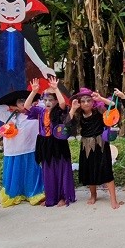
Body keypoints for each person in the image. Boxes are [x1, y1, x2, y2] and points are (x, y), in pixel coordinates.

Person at [25, 77, 75, 207]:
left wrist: (56, 88)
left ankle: (63, 197)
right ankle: (51, 196)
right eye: (45, 99)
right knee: (48, 170)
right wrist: (33, 91)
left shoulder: (59, 110)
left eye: (50, 100)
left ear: (55, 101)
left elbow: (63, 103)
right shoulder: (40, 111)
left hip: (58, 142)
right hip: (44, 143)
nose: (47, 102)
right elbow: (26, 106)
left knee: (60, 168)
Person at [68, 88, 121, 209]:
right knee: (89, 170)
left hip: (101, 144)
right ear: (80, 103)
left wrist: (100, 99)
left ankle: (113, 198)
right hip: (86, 145)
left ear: (93, 102)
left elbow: (113, 106)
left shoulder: (99, 111)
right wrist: (72, 108)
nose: (86, 103)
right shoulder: (78, 114)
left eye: (89, 100)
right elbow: (66, 124)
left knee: (106, 170)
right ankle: (93, 195)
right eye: (83, 101)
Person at [0, 90, 45, 206]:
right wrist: (12, 107)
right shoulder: (10, 115)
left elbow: (44, 104)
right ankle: (16, 194)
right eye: (20, 101)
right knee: (15, 175)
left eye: (26, 101)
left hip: (30, 149)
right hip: (13, 151)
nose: (24, 103)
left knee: (31, 173)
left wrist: (34, 98)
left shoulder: (36, 114)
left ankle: (33, 193)